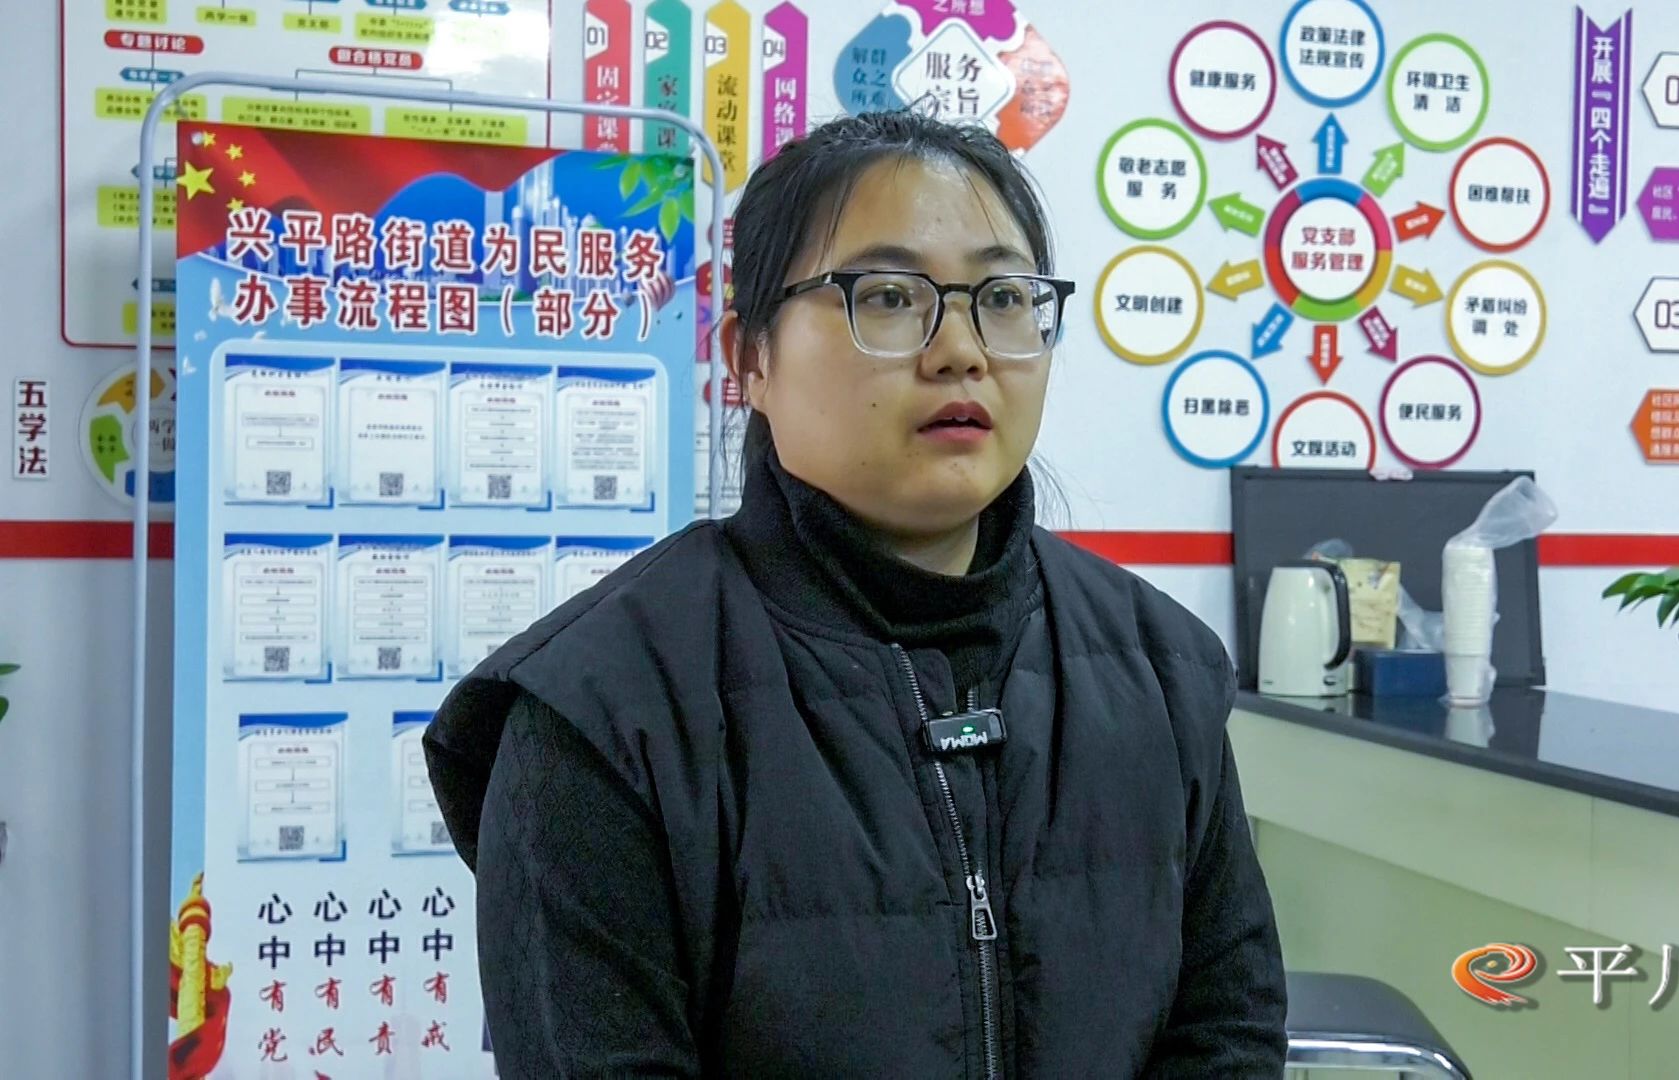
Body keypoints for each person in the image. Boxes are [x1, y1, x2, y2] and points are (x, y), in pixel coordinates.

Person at [425, 109, 1288, 1078]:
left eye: (1003, 296)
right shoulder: (603, 711)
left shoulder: (1161, 669)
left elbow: (1228, 1030)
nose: (961, 350)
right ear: (750, 359)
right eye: (887, 295)